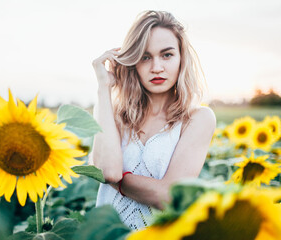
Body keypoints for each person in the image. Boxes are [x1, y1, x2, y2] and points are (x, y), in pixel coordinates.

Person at [89, 10, 216, 230]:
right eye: (145, 57)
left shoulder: (197, 119)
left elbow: (167, 196)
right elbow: (107, 170)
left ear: (181, 58)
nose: (156, 67)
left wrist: (117, 179)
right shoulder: (115, 114)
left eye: (167, 55)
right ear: (133, 62)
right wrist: (104, 87)